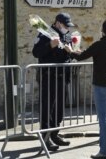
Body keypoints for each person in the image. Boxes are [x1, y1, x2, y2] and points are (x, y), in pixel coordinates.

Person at [64, 17, 106, 159]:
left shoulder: (98, 44)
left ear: (104, 30)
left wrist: (69, 50)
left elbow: (81, 56)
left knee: (103, 118)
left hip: (101, 86)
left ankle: (104, 151)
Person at [32, 13, 75, 151]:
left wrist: (72, 52)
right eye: (65, 25)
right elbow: (36, 52)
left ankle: (55, 134)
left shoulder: (67, 35)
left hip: (63, 77)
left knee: (59, 108)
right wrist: (50, 45)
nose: (67, 28)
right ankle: (46, 138)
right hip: (48, 77)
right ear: (57, 23)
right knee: (47, 108)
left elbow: (67, 55)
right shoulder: (44, 34)